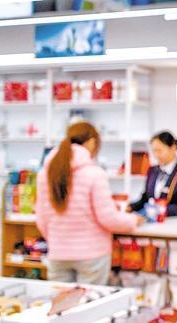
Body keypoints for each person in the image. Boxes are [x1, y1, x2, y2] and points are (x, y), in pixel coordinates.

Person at [36, 121, 144, 285]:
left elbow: (42, 219)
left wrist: (57, 240)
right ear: (92, 142)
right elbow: (108, 218)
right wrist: (133, 220)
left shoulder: (45, 174)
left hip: (58, 254)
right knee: (90, 300)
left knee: (61, 300)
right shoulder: (94, 174)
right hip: (92, 255)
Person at [129, 131, 177, 217]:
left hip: (174, 222)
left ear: (173, 148)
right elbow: (145, 199)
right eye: (154, 151)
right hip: (152, 221)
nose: (156, 155)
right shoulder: (152, 171)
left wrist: (161, 209)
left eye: (159, 150)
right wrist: (130, 207)